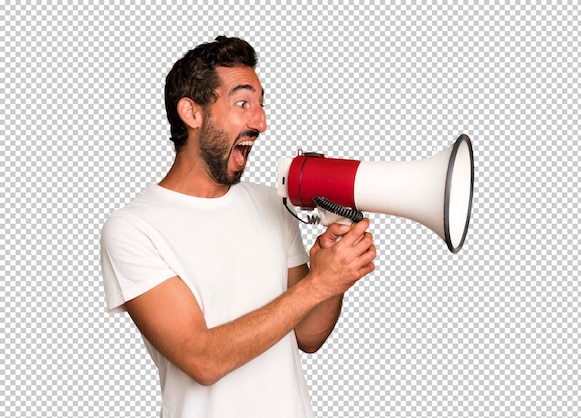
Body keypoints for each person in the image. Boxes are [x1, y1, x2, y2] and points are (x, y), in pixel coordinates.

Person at [100, 36, 377, 418]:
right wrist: (317, 284)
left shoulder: (270, 204)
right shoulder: (133, 228)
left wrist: (333, 279)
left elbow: (308, 336)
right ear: (191, 113)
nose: (261, 122)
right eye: (243, 103)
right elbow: (202, 360)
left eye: (261, 105)